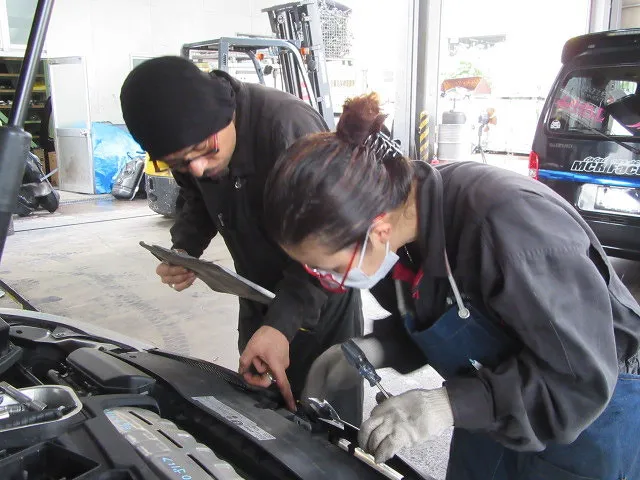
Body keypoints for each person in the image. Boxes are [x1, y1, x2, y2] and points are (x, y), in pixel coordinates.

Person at [262, 92, 640, 479]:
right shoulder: (402, 232)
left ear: (377, 232)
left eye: (331, 268)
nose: (328, 281)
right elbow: (449, 317)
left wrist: (444, 406)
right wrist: (373, 348)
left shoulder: (509, 229)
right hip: (494, 398)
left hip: (586, 404)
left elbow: (579, 379)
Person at [119, 56, 363, 423]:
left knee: (326, 426)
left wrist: (282, 324)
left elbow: (333, 241)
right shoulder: (195, 146)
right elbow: (195, 199)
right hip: (254, 293)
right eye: (181, 163)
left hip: (320, 298)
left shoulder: (289, 128)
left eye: (205, 153)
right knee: (261, 419)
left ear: (225, 114)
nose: (197, 169)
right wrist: (184, 249)